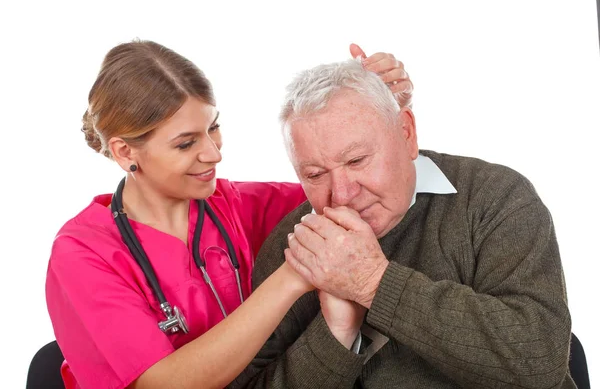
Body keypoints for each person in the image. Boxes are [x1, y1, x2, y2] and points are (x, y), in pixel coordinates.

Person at [44, 39, 412, 389]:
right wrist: (292, 277)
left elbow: (357, 191)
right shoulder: (81, 254)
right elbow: (162, 383)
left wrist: (379, 110)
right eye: (186, 143)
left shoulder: (234, 205)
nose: (213, 153)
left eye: (213, 127)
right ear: (125, 153)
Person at [231, 59, 576, 388]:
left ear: (407, 133)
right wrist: (336, 333)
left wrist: (372, 283)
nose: (343, 194)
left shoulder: (495, 196)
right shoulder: (292, 244)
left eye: (357, 160)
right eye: (315, 174)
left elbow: (538, 362)